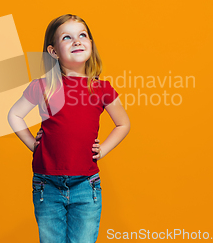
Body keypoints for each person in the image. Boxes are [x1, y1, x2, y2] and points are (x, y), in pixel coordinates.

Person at [8, 14, 130, 243]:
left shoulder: (101, 89)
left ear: (91, 45)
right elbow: (14, 115)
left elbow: (123, 123)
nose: (77, 41)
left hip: (86, 185)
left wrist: (102, 149)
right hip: (47, 184)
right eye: (67, 37)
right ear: (53, 52)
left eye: (82, 35)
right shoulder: (43, 86)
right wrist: (33, 145)